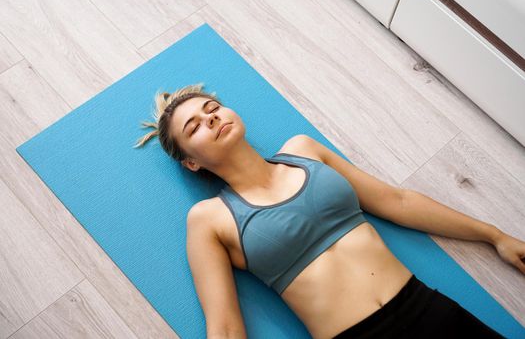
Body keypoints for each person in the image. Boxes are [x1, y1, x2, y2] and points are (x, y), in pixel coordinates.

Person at [134, 83, 524, 338]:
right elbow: (225, 327)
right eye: (195, 127)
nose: (212, 117)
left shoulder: (305, 151)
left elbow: (397, 202)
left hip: (429, 310)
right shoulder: (209, 219)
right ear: (191, 162)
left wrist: (495, 236)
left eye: (213, 107)